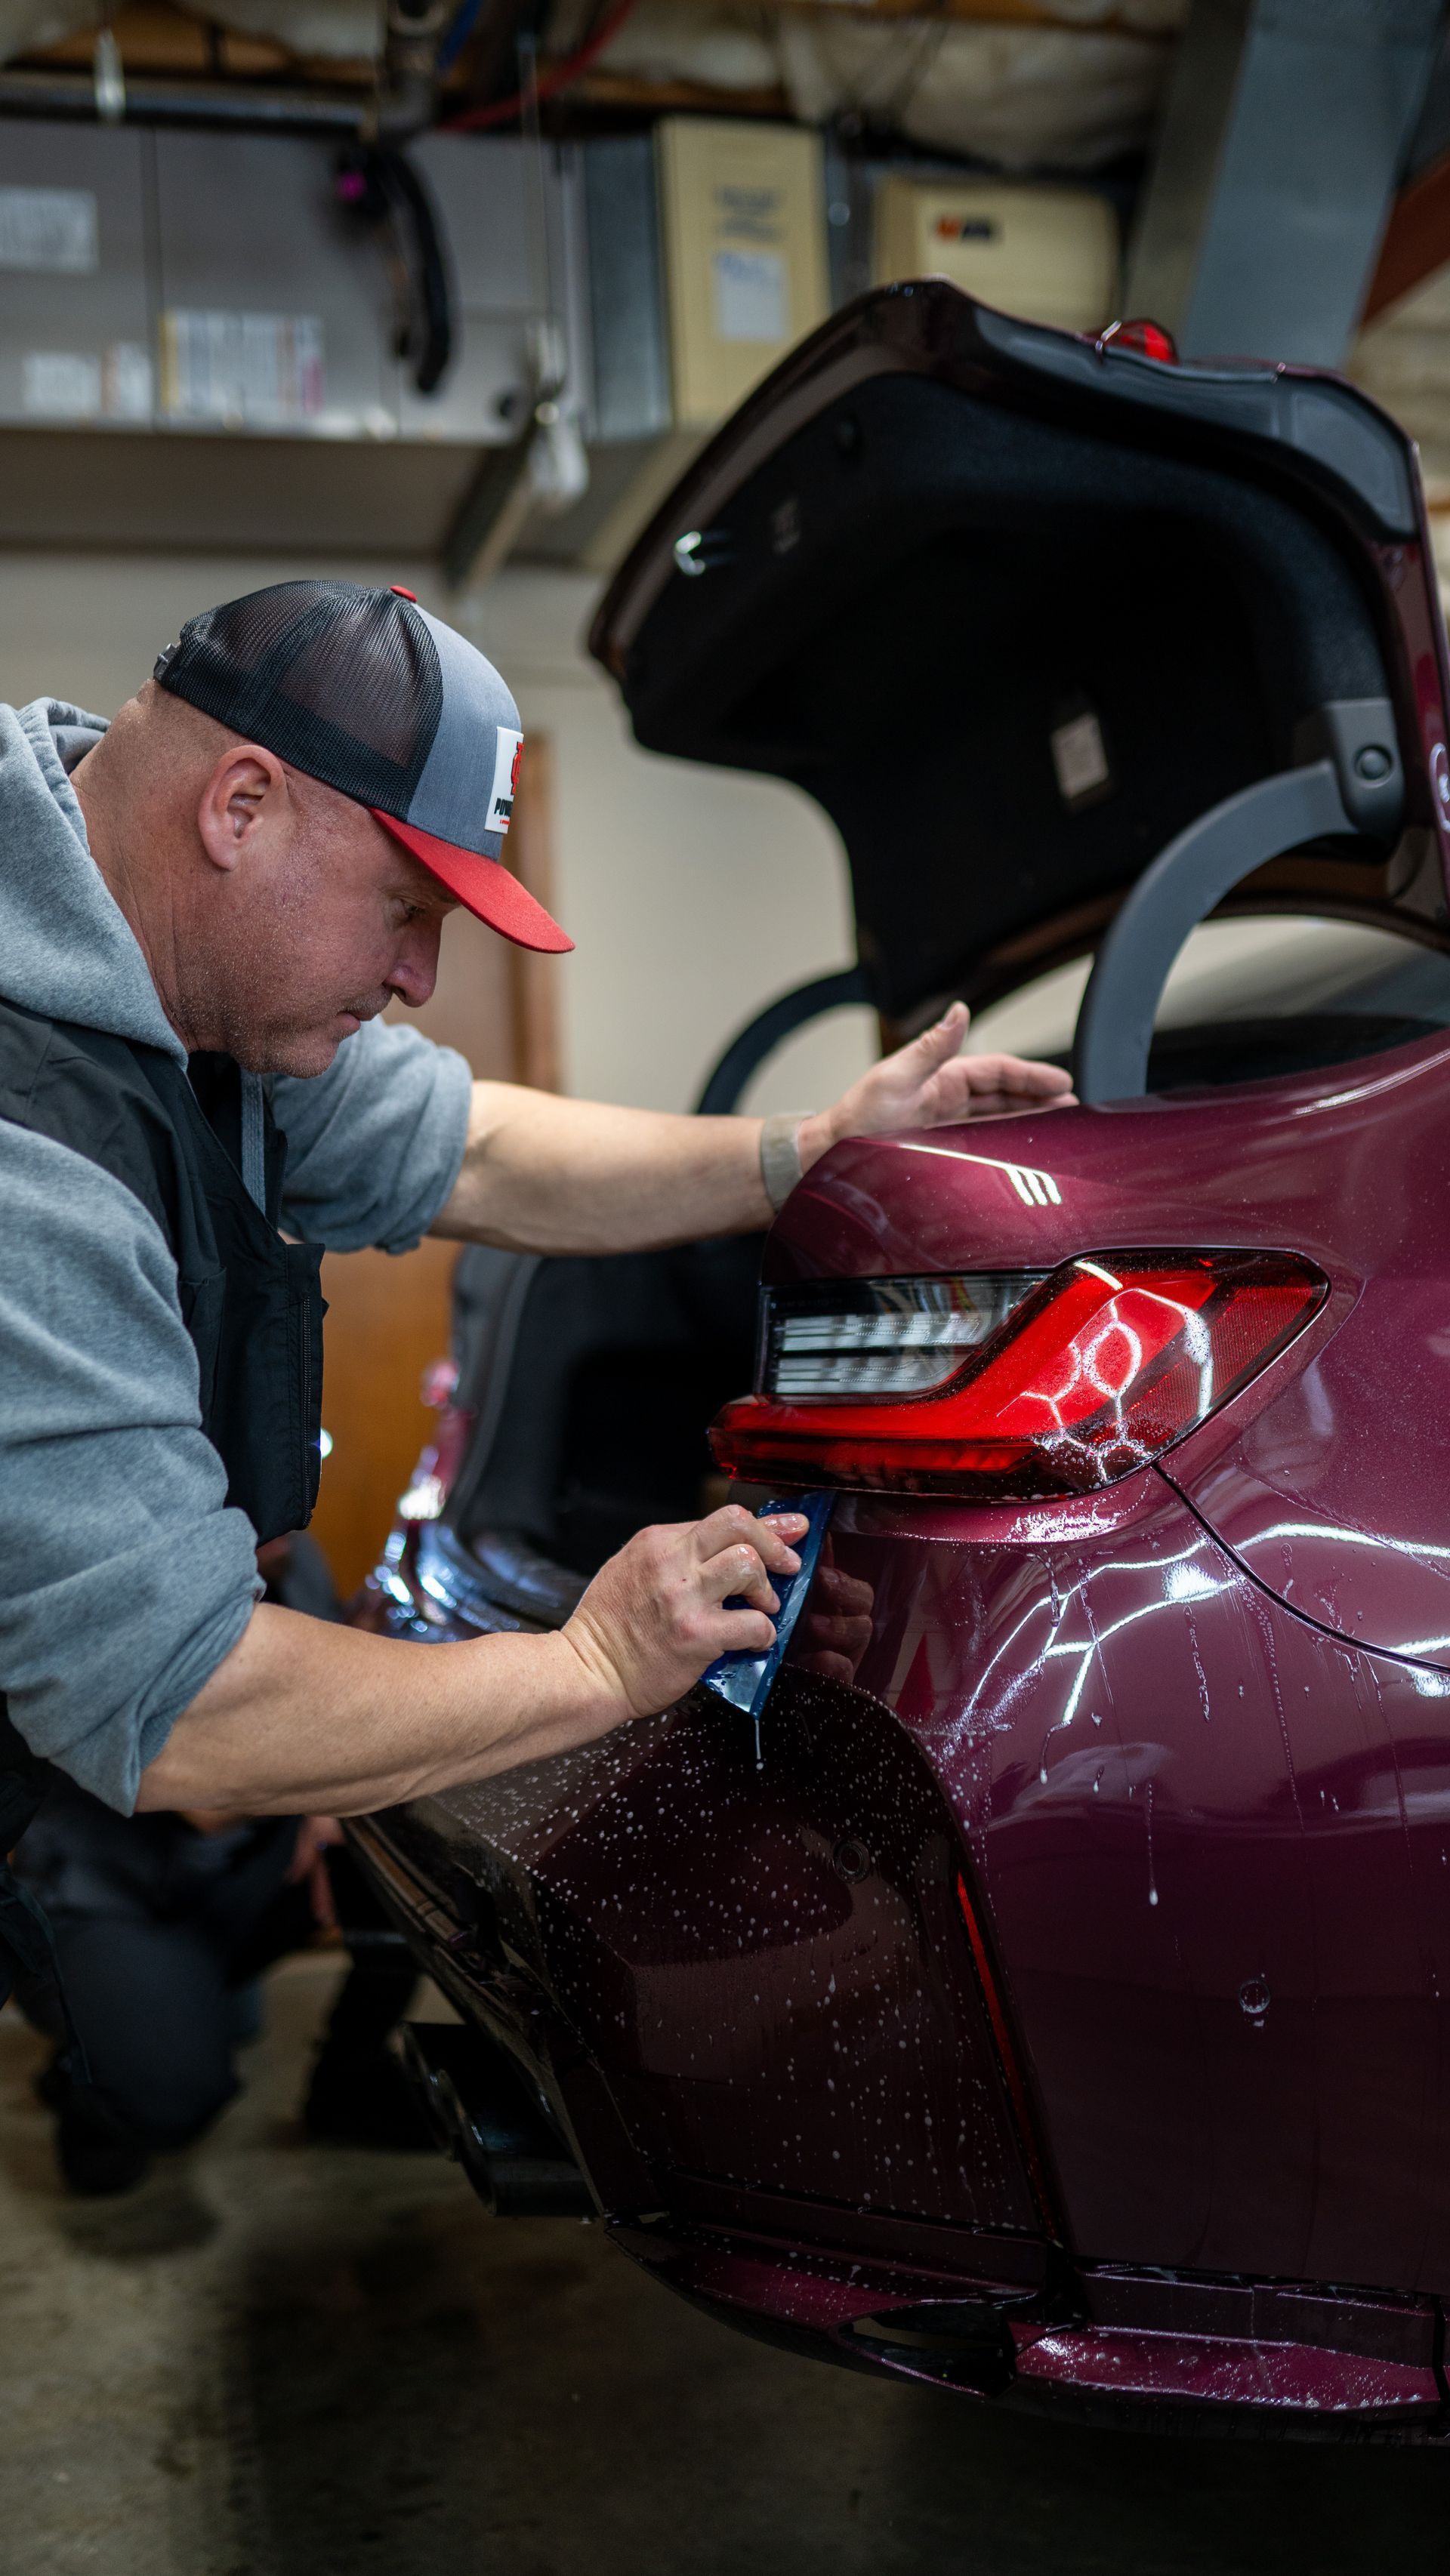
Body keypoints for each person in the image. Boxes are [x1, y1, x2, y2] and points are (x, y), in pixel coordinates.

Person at [0, 578, 1073, 2184]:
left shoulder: (170, 969)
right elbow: (190, 1707)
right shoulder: (29, 1138)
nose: (423, 977)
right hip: (82, 1719)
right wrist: (590, 1662)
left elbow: (478, 1143)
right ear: (241, 806)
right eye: (407, 909)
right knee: (146, 2057)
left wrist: (805, 1156)